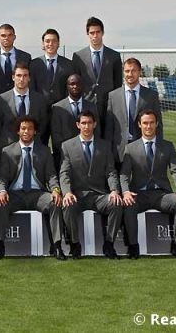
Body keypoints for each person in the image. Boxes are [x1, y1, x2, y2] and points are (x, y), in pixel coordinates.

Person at [0, 116, 66, 260]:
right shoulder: (7, 151)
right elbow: (3, 177)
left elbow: (51, 175)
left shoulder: (44, 151)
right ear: (18, 131)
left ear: (35, 132)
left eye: (30, 129)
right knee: (1, 203)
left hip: (37, 194)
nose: (26, 131)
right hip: (15, 194)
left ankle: (57, 246)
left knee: (55, 202)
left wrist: (56, 190)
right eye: (23, 129)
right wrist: (1, 191)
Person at [120, 109, 176, 259]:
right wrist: (125, 192)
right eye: (145, 123)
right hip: (139, 195)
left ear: (157, 124)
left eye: (152, 123)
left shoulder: (167, 146)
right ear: (139, 125)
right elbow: (124, 174)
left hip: (161, 195)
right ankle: (133, 247)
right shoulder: (130, 148)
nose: (148, 126)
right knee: (128, 205)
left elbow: (175, 170)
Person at [60, 110, 122, 259]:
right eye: (83, 123)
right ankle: (75, 245)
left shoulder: (105, 146)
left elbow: (111, 172)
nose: (86, 126)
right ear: (78, 125)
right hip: (77, 195)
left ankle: (109, 244)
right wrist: (67, 192)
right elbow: (64, 173)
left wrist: (114, 190)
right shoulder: (67, 146)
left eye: (89, 123)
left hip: (99, 196)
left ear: (94, 124)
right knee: (67, 205)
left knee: (116, 203)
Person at [105, 57, 162, 165]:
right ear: (123, 72)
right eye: (127, 71)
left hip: (144, 150)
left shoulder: (151, 96)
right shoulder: (113, 96)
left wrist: (158, 149)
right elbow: (109, 128)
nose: (130, 74)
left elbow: (158, 126)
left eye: (133, 71)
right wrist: (108, 152)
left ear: (139, 72)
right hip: (119, 151)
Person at [71, 17, 122, 127]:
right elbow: (76, 83)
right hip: (87, 107)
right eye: (92, 33)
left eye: (98, 32)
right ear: (87, 34)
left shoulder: (114, 56)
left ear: (102, 33)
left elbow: (118, 84)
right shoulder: (78, 56)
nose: (95, 36)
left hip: (109, 107)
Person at [0, 63, 48, 159]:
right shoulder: (2, 99)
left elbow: (43, 124)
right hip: (8, 149)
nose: (22, 79)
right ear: (13, 77)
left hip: (34, 148)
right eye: (18, 75)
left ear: (29, 78)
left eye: (25, 76)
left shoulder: (40, 99)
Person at [29, 28, 74, 145]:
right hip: (40, 112)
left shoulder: (68, 64)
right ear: (43, 44)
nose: (50, 44)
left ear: (58, 43)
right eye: (47, 41)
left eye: (54, 41)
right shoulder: (34, 64)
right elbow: (31, 89)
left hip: (61, 111)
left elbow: (69, 89)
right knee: (39, 144)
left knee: (60, 145)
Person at [50, 74, 100, 169]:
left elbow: (97, 132)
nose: (75, 86)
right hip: (64, 156)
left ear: (82, 85)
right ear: (67, 86)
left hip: (88, 155)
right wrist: (70, 152)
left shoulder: (92, 106)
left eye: (78, 84)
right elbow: (56, 136)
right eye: (72, 84)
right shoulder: (57, 108)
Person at [0, 24, 31, 98]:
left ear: (14, 37)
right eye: (3, 35)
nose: (6, 38)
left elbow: (29, 80)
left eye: (10, 35)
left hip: (20, 99)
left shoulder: (25, 57)